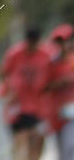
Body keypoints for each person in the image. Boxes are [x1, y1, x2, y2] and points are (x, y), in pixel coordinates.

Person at [0, 26, 53, 159]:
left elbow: (53, 75)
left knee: (36, 146)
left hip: (39, 108)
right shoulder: (15, 54)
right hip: (18, 107)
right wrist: (9, 90)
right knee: (21, 144)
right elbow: (4, 73)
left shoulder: (46, 55)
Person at [43, 25, 74, 159]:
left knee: (70, 146)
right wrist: (60, 83)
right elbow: (44, 87)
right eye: (59, 42)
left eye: (65, 41)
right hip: (58, 115)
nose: (62, 45)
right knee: (63, 153)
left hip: (72, 115)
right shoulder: (51, 65)